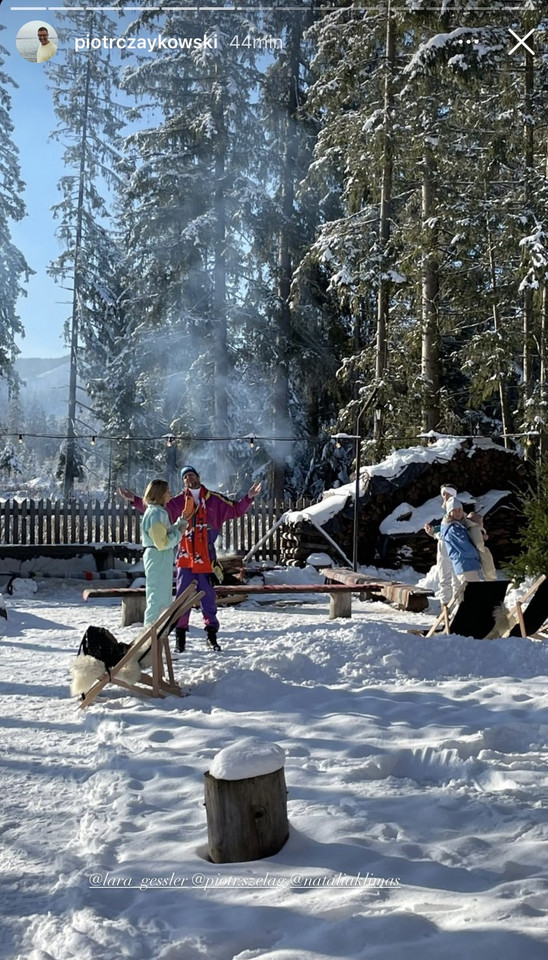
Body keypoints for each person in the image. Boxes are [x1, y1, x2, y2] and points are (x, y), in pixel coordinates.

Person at [120, 466, 261, 651]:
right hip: (185, 558)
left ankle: (211, 635)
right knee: (181, 600)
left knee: (208, 598)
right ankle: (180, 639)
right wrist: (134, 500)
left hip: (206, 558)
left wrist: (249, 497)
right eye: (185, 476)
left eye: (191, 475)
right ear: (183, 481)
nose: (188, 478)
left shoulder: (215, 500)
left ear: (198, 476)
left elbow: (235, 510)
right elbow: (152, 507)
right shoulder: (176, 501)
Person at [141, 479, 192, 626]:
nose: (170, 494)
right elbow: (162, 542)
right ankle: (150, 636)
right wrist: (179, 534)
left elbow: (166, 533)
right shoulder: (154, 514)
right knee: (156, 597)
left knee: (163, 597)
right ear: (160, 494)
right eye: (167, 491)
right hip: (157, 556)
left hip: (161, 557)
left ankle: (158, 633)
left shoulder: (159, 512)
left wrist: (181, 522)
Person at [439, 497, 482, 584]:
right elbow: (465, 547)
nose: (458, 512)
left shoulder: (459, 526)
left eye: (460, 509)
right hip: (465, 565)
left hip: (467, 565)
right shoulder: (453, 529)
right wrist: (478, 554)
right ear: (450, 512)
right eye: (455, 510)